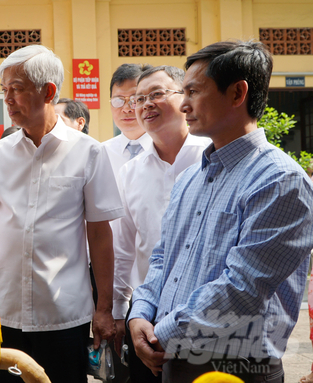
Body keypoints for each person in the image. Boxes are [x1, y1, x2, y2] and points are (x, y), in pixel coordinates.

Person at [128, 40, 313, 383]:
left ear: (237, 93)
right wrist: (139, 314)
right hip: (172, 359)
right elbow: (162, 259)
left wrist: (159, 333)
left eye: (194, 91)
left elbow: (242, 290)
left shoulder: (279, 180)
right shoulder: (190, 178)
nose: (183, 104)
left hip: (237, 368)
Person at [0, 45, 123, 383]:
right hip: (1, 312)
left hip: (64, 317)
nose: (7, 99)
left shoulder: (88, 153)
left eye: (17, 89)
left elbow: (99, 234)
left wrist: (104, 309)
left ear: (48, 91)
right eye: (4, 89)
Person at [111, 65, 211, 383]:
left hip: (207, 319)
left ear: (186, 98)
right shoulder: (130, 172)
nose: (144, 104)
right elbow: (123, 250)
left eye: (157, 94)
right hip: (146, 320)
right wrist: (118, 313)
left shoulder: (212, 160)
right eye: (140, 98)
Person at [103, 63, 154, 184]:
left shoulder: (169, 151)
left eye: (134, 100)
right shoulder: (101, 153)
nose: (126, 109)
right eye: (118, 100)